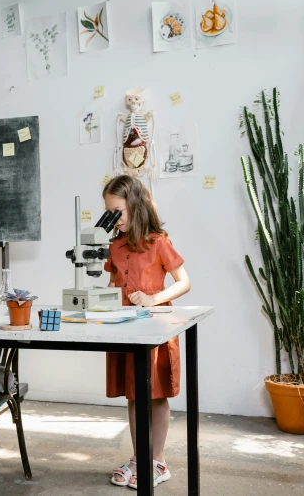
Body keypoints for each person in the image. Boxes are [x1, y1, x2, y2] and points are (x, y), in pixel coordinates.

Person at [103, 175, 191, 489]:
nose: (115, 219)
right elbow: (112, 286)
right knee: (132, 395)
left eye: (118, 212)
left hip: (154, 328)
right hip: (125, 329)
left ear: (136, 206)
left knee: (154, 396)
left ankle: (158, 461)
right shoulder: (115, 245)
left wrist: (154, 297)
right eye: (109, 212)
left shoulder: (159, 242)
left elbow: (184, 282)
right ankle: (139, 458)